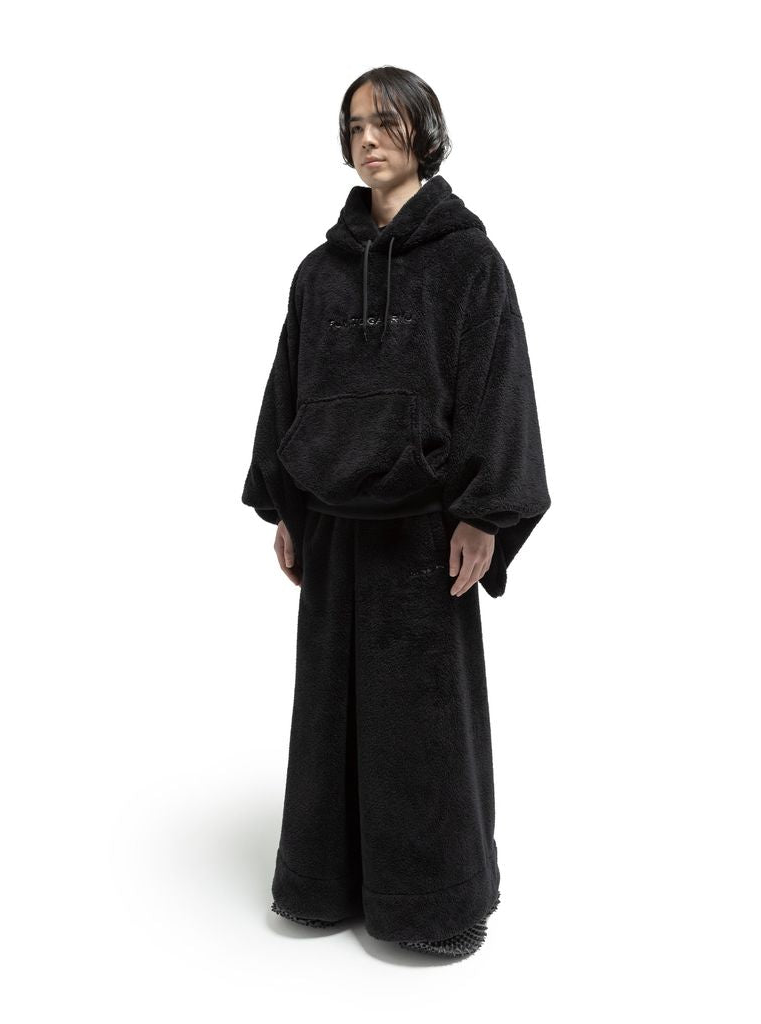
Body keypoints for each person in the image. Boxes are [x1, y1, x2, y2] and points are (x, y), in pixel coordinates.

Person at [241, 66, 551, 958]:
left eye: (385, 122)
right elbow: (289, 392)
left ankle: (433, 903)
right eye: (354, 126)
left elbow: (499, 387)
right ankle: (324, 883)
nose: (368, 139)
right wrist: (286, 506)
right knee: (329, 715)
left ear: (425, 130)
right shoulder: (320, 275)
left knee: (422, 724)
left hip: (424, 534)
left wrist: (484, 514)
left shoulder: (468, 263)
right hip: (334, 527)